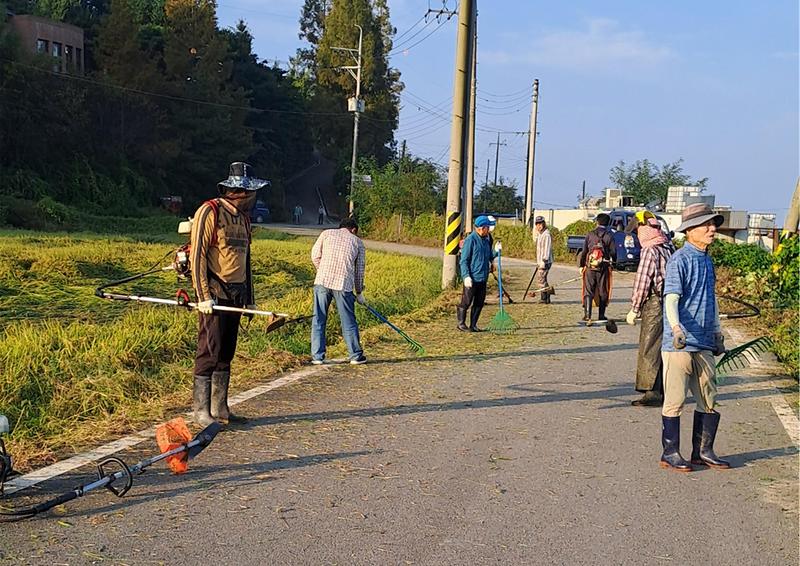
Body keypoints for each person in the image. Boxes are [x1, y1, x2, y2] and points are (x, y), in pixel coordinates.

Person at [190, 162, 268, 426]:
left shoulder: (244, 219)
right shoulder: (210, 211)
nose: (254, 198)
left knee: (226, 352)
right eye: (252, 193)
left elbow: (246, 261)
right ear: (241, 193)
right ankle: (201, 411)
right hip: (214, 292)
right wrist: (203, 296)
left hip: (236, 294)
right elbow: (198, 256)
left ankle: (220, 407)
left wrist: (250, 300)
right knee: (209, 350)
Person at [659, 203, 729, 472]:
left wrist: (717, 332)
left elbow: (711, 300)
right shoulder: (680, 259)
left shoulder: (707, 260)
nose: (712, 229)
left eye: (713, 224)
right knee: (675, 400)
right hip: (680, 343)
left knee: (708, 398)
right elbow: (671, 298)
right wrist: (676, 329)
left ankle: (703, 451)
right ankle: (670, 452)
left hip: (704, 341)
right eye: (706, 225)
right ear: (689, 230)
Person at [626, 211, 674, 406]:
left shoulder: (650, 250)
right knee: (665, 347)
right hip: (671, 302)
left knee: (649, 346)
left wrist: (634, 308)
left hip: (655, 303)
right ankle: (664, 390)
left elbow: (643, 281)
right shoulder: (668, 247)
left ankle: (652, 392)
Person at [310, 217, 367, 365]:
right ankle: (355, 356)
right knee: (348, 320)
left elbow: (315, 255)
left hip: (322, 281)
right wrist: (359, 292)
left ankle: (317, 357)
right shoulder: (358, 242)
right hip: (343, 284)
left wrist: (323, 270)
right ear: (353, 230)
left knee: (318, 319)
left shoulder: (326, 233)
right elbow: (359, 270)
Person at [458, 215, 496, 332]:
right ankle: (461, 323)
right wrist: (466, 276)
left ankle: (473, 325)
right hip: (472, 277)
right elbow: (464, 261)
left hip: (483, 277)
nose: (489, 230)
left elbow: (489, 256)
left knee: (479, 303)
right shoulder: (471, 240)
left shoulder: (486, 240)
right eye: (487, 228)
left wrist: (496, 251)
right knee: (466, 302)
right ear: (482, 228)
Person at [579, 213, 616, 323]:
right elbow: (613, 252)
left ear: (597, 222)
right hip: (603, 267)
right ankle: (601, 315)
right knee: (602, 290)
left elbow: (584, 251)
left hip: (590, 267)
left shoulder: (590, 234)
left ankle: (587, 315)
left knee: (588, 290)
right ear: (608, 223)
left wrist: (582, 265)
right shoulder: (609, 236)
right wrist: (613, 263)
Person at [533, 216, 553, 304]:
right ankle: (546, 296)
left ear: (543, 224)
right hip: (540, 261)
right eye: (537, 224)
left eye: (540, 224)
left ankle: (545, 297)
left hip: (545, 261)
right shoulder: (540, 234)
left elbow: (546, 249)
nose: (539, 226)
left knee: (541, 278)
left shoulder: (546, 235)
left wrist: (543, 261)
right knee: (542, 278)